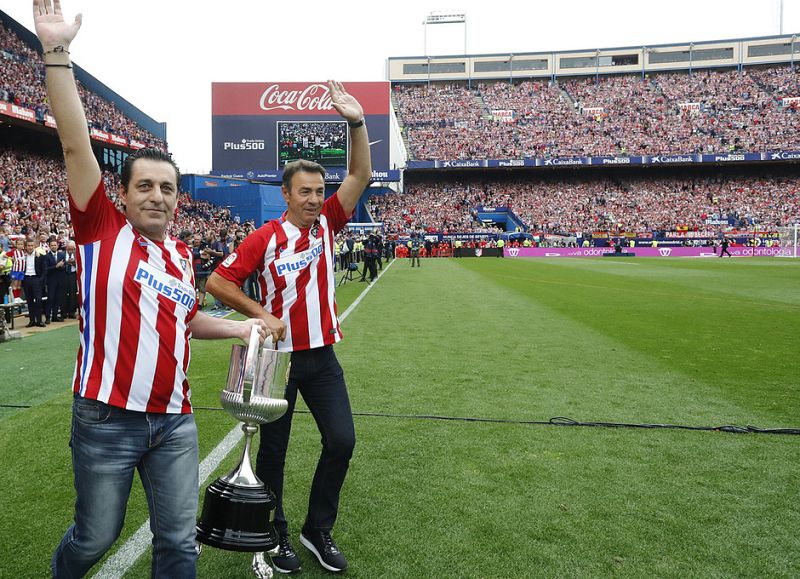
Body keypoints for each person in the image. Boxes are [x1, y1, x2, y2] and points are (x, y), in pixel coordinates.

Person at [33, 2, 268, 577]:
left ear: (177, 198)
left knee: (179, 543)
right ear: (125, 192)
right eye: (145, 186)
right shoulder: (101, 228)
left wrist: (240, 325)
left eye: (167, 187)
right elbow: (73, 145)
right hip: (107, 417)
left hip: (174, 420)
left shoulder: (183, 256)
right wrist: (57, 53)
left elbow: (183, 322)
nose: (157, 195)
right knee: (94, 539)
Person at [206, 79, 371, 575]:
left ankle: (316, 530)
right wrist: (261, 314)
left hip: (321, 356)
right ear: (286, 193)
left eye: (321, 192)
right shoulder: (266, 237)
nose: (316, 200)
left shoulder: (328, 224)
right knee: (273, 453)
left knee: (342, 440)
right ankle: (276, 536)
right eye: (306, 192)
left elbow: (361, 172)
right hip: (277, 361)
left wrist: (356, 121)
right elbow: (217, 281)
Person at [21, 238, 46, 327]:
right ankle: (32, 321)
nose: (30, 247)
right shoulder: (22, 256)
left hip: (36, 279)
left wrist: (40, 280)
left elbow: (44, 269)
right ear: (26, 247)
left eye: (32, 245)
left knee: (38, 300)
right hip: (26, 279)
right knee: (29, 301)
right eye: (28, 246)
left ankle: (39, 320)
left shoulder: (40, 256)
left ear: (34, 246)